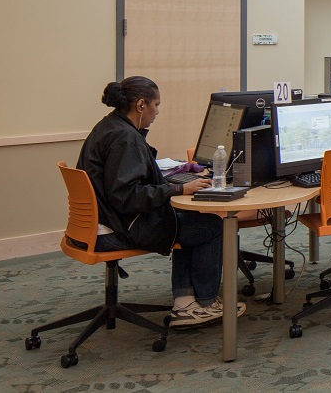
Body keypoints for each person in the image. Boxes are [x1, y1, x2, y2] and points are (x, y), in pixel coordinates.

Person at [76, 76, 244, 328]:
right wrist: (179, 188)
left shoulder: (110, 126)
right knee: (211, 227)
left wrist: (171, 185)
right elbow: (128, 196)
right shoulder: (125, 138)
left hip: (104, 222)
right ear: (141, 105)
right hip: (120, 227)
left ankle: (186, 301)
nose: (157, 112)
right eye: (156, 105)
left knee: (191, 223)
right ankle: (207, 303)